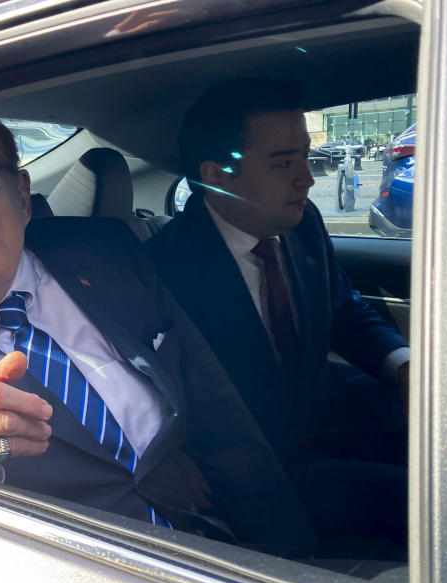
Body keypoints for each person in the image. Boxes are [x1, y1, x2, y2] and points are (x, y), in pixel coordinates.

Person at [0, 108, 318, 557]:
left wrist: (296, 558)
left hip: (222, 548)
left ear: (23, 196)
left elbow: (218, 416)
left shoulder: (107, 252)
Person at [149, 79, 408, 543]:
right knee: (433, 503)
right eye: (284, 162)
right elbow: (151, 382)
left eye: (306, 156)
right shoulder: (162, 271)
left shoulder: (302, 225)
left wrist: (403, 366)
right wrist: (167, 453)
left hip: (334, 414)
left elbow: (343, 311)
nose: (307, 178)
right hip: (261, 465)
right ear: (218, 174)